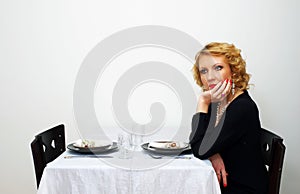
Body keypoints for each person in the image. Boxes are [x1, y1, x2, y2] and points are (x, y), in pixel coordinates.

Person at [189, 42, 268, 194]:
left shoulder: (242, 108)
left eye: (218, 68)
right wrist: (213, 153)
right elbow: (199, 141)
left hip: (242, 189)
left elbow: (198, 148)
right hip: (223, 184)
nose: (210, 77)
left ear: (233, 70)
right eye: (204, 71)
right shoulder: (218, 103)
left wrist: (202, 101)